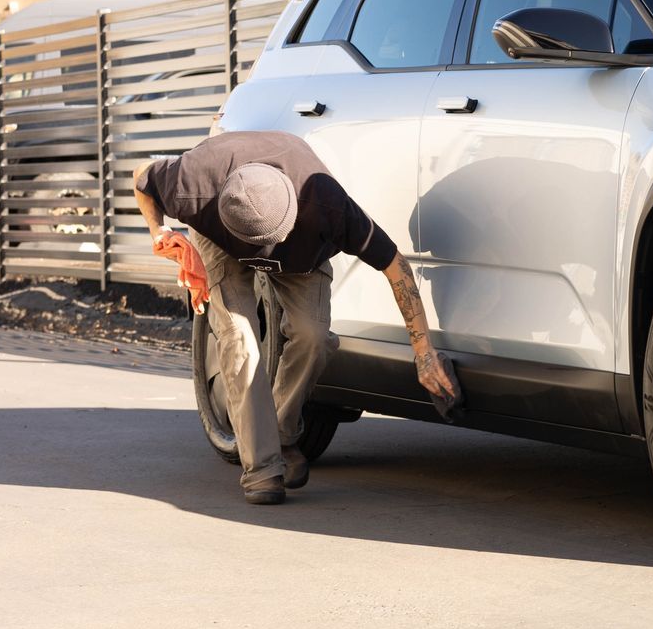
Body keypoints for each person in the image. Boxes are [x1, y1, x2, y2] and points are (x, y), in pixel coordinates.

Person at [135, 130, 458, 506]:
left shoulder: (327, 207)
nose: (258, 254)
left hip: (302, 250)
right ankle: (262, 469)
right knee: (240, 341)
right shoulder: (194, 184)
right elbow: (142, 177)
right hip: (220, 238)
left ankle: (283, 432)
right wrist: (158, 231)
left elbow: (396, 267)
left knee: (314, 335)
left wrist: (424, 353)